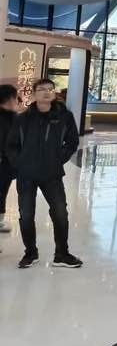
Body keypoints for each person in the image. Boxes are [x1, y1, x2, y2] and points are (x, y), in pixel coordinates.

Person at [5, 78, 82, 269]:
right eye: (42, 89)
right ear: (34, 94)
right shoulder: (23, 119)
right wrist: (20, 163)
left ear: (54, 93)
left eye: (50, 89)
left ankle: (62, 254)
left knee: (60, 213)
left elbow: (72, 141)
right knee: (26, 215)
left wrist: (58, 158)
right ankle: (30, 253)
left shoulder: (64, 117)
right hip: (27, 175)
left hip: (52, 174)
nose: (47, 92)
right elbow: (11, 145)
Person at [0, 84, 19, 234]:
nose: (17, 100)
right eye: (15, 97)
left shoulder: (15, 117)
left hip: (8, 163)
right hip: (3, 161)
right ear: (9, 99)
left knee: (2, 191)